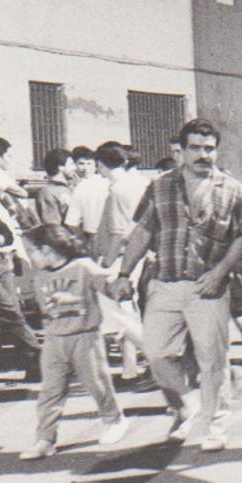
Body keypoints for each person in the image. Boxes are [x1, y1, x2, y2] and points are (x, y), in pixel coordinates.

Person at [111, 118, 242, 451]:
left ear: (216, 150)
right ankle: (187, 404)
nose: (203, 155)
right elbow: (143, 232)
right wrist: (123, 275)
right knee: (156, 352)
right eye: (196, 148)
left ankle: (216, 426)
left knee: (212, 359)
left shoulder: (232, 189)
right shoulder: (160, 186)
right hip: (165, 284)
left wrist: (220, 273)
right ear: (183, 151)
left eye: (209, 149)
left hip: (209, 288)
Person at [20, 225, 128, 460]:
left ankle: (114, 419)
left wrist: (117, 288)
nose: (27, 257)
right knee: (50, 391)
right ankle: (45, 438)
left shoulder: (83, 267)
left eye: (31, 250)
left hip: (85, 337)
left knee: (97, 383)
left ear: (47, 249)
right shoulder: (40, 277)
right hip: (54, 339)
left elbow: (109, 285)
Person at [97, 142, 152, 380]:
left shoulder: (118, 190)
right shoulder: (139, 182)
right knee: (126, 310)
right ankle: (130, 368)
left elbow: (119, 232)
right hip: (140, 255)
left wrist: (107, 262)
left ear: (101, 164)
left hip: (123, 259)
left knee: (120, 313)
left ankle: (156, 358)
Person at [0, 190, 40, 380]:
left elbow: (7, 235)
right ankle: (39, 355)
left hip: (0, 262)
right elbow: (0, 236)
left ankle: (31, 363)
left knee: (10, 311)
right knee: (8, 309)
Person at [65, 140, 120, 256]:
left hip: (93, 237)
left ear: (96, 165)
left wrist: (84, 240)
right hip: (118, 238)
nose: (85, 168)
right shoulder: (111, 182)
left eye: (89, 163)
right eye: (81, 163)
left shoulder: (82, 186)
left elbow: (71, 222)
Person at [35, 148, 77, 226]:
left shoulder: (69, 188)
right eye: (71, 164)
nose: (75, 167)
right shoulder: (48, 192)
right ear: (60, 167)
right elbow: (53, 226)